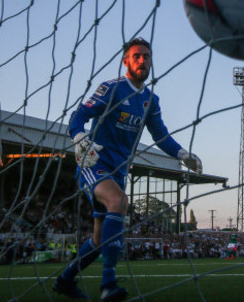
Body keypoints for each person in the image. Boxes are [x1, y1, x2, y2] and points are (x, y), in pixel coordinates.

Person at [54, 37, 203, 302]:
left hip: (119, 171)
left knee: (99, 240)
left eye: (146, 56)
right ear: (126, 61)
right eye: (137, 56)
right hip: (95, 163)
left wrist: (183, 154)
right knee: (118, 201)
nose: (142, 61)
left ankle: (65, 280)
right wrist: (80, 138)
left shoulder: (150, 100)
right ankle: (108, 284)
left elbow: (161, 136)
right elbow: (79, 116)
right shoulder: (111, 88)